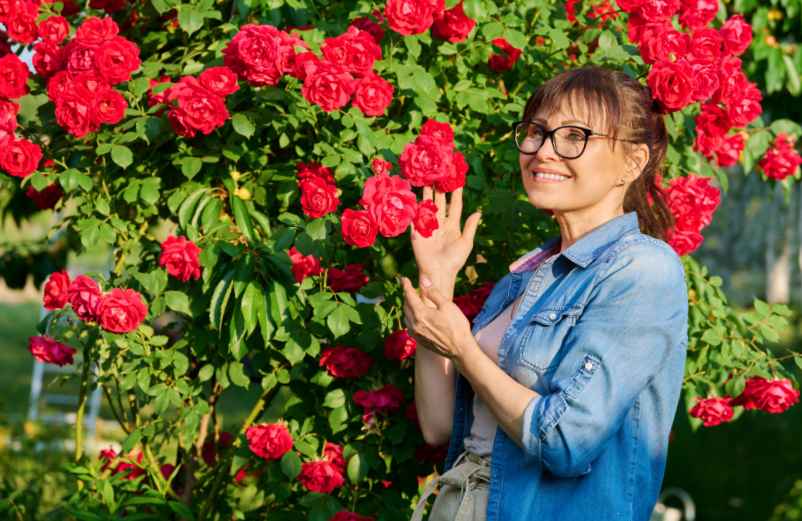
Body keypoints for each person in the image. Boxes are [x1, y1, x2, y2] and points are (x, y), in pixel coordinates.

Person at [401, 65, 689, 521]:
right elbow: (437, 426)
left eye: (574, 136)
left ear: (633, 162)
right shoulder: (524, 279)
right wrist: (437, 282)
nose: (543, 151)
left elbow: (567, 439)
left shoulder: (643, 271)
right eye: (537, 132)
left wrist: (464, 349)